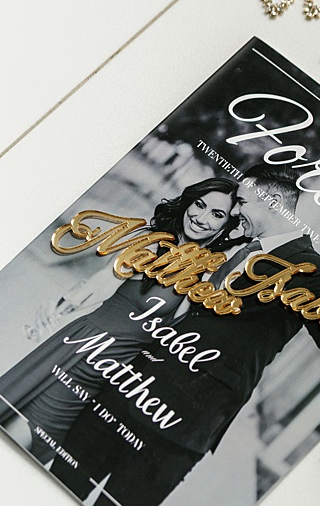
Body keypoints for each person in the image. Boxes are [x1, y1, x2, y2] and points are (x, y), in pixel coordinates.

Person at [49, 164, 320, 506]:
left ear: (270, 203)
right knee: (56, 490)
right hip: (123, 392)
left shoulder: (312, 269)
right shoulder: (230, 243)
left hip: (182, 425)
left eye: (242, 202)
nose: (233, 211)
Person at [0, 175, 246, 462]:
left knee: (32, 444)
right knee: (23, 434)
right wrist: (58, 311)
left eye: (216, 214)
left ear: (227, 224)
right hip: (78, 354)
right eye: (199, 205)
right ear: (187, 202)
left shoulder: (207, 275)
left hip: (112, 380)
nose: (201, 218)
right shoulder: (152, 244)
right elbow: (100, 283)